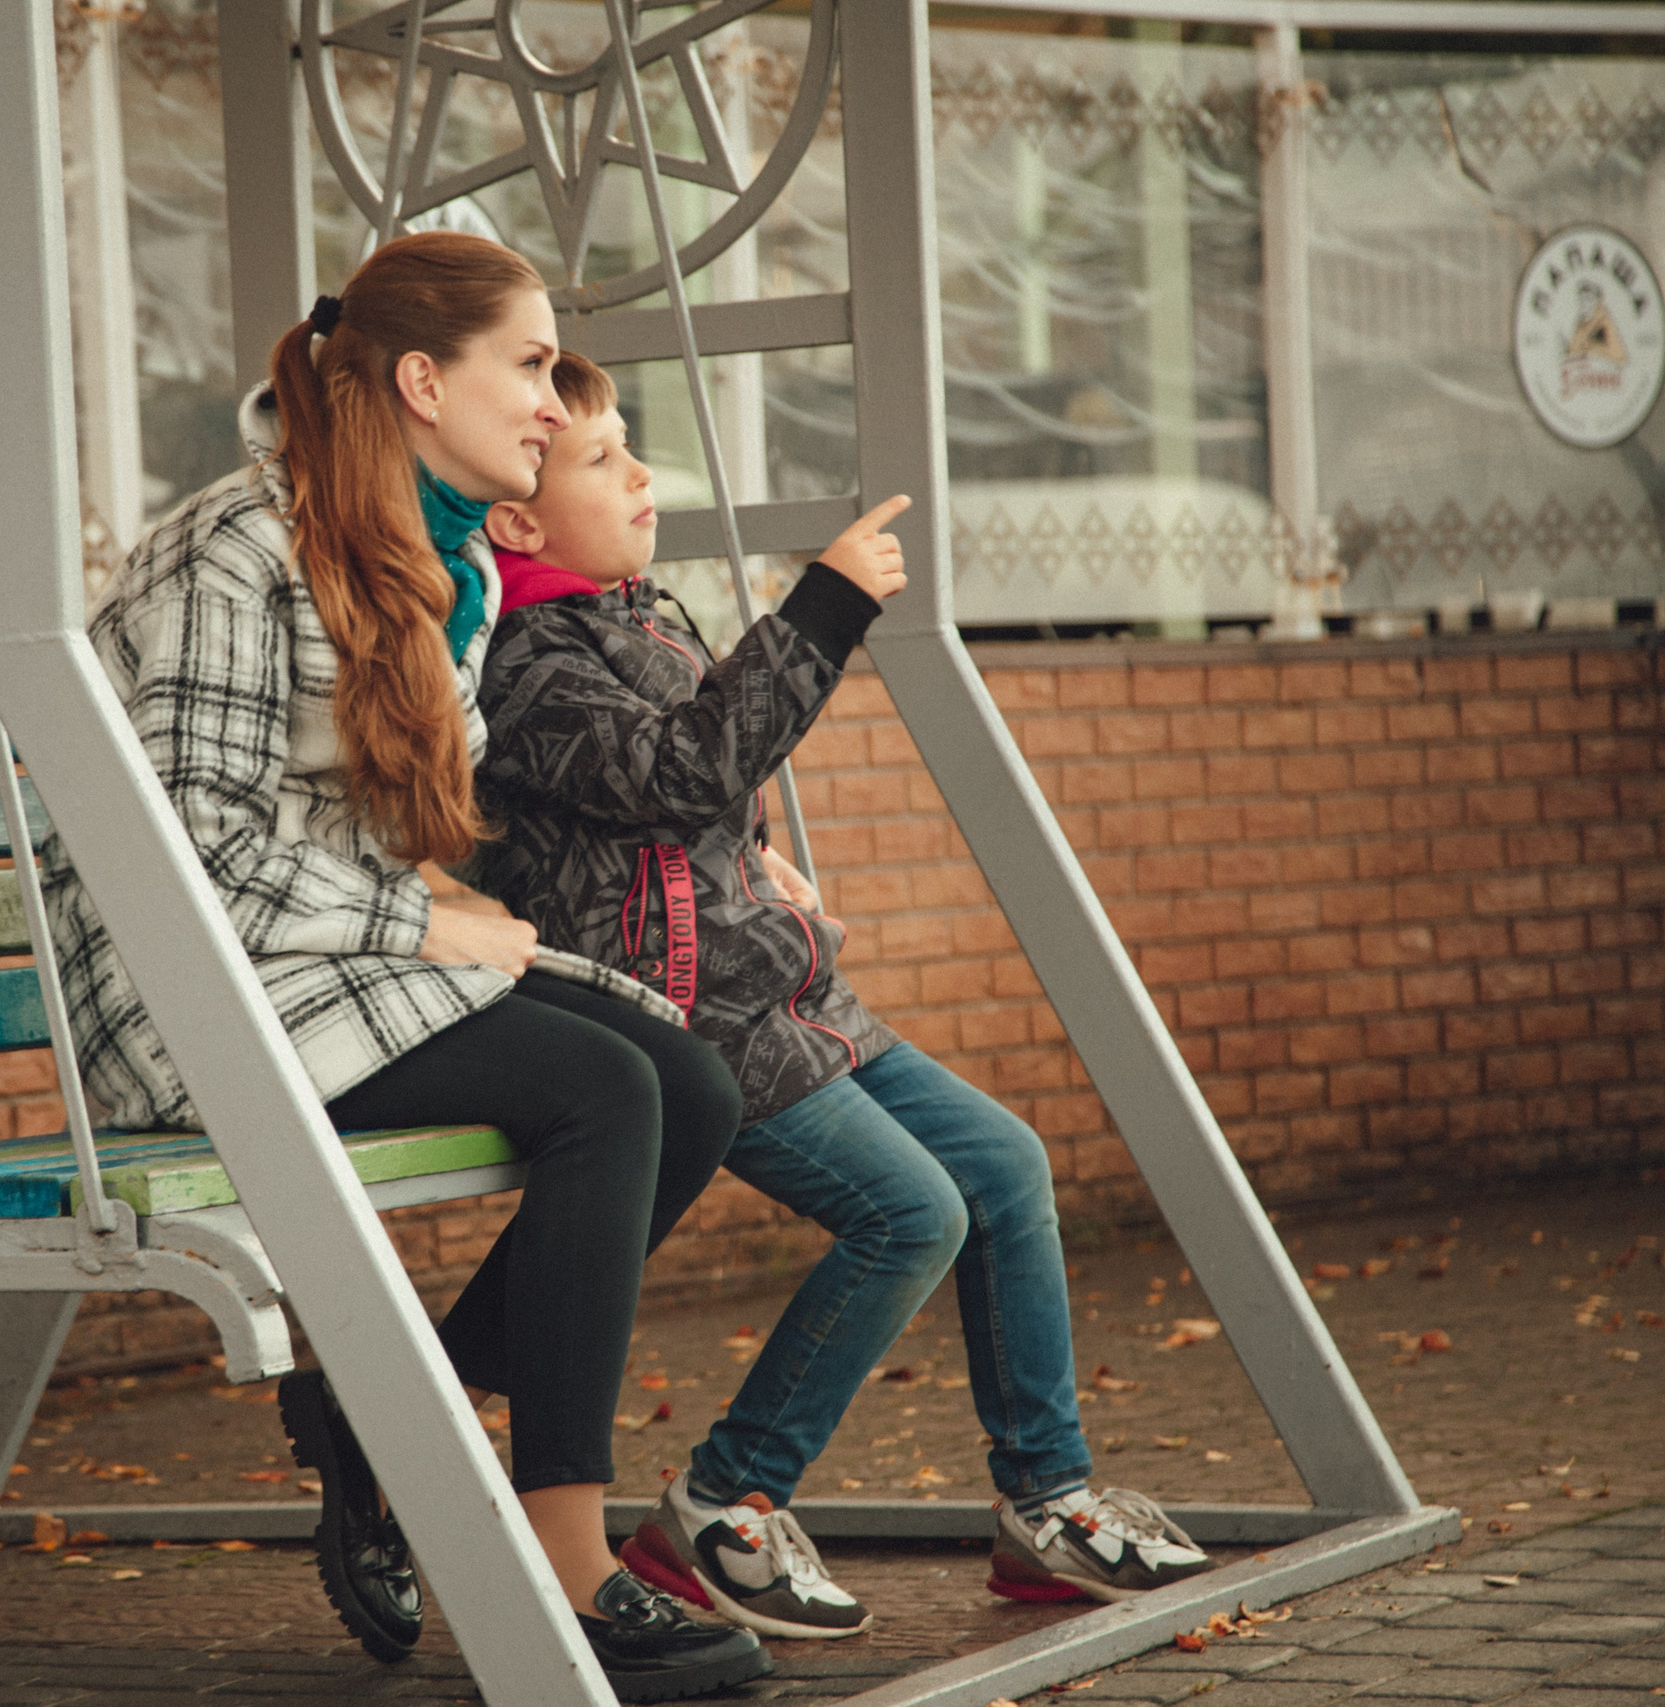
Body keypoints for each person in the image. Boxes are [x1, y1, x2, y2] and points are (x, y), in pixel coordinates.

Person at [37, 234, 771, 1702]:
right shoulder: (237, 551)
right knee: (602, 1096)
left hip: (312, 956)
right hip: (179, 990)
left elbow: (385, 818)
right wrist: (431, 926)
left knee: (687, 1082)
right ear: (423, 380)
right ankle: (562, 1563)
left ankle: (381, 1429)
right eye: (528, 365)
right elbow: (176, 854)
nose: (557, 407)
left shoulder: (448, 562)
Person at [472, 352, 1217, 1640]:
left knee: (1007, 1166)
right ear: (517, 519)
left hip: (786, 991)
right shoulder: (527, 661)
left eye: (632, 450)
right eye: (603, 460)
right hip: (686, 1019)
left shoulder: (645, 613)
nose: (643, 476)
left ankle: (1046, 1502)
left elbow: (696, 789)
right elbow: (678, 767)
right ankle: (720, 1504)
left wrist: (752, 854)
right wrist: (819, 606)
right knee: (908, 1214)